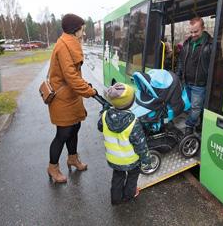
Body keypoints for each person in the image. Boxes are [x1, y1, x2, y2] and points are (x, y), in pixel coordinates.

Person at [47, 13, 97, 183]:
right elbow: (71, 77)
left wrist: (85, 85)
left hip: (71, 96)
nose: (83, 33)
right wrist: (90, 91)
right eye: (82, 30)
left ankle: (73, 158)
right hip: (62, 98)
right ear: (74, 30)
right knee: (62, 133)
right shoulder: (63, 47)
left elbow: (75, 75)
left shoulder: (70, 44)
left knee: (74, 128)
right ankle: (52, 167)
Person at [97, 83, 151, 205]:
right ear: (130, 103)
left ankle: (115, 199)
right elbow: (140, 144)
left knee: (118, 176)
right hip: (131, 160)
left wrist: (106, 110)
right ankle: (129, 195)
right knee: (132, 176)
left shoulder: (105, 116)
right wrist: (146, 160)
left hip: (114, 158)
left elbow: (100, 127)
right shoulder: (133, 121)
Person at [176, 17, 213, 136]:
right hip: (187, 82)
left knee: (195, 108)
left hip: (200, 84)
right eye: (191, 32)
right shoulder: (187, 43)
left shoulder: (211, 44)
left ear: (203, 28)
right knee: (192, 106)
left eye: (196, 31)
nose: (193, 34)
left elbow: (215, 65)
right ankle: (199, 123)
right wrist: (178, 77)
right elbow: (181, 62)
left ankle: (189, 126)